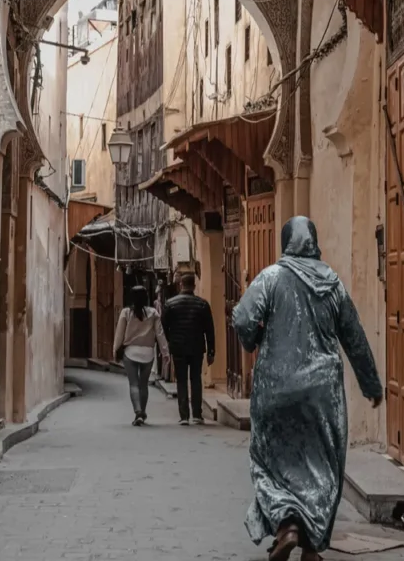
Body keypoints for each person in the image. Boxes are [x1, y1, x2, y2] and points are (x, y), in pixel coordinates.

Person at [232, 217, 383, 561]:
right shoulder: (333, 284)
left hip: (275, 388)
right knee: (324, 467)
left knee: (270, 461)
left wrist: (252, 340)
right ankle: (312, 547)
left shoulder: (270, 278)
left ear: (286, 242)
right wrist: (370, 383)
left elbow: (242, 319)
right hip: (322, 394)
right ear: (314, 242)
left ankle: (288, 526)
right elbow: (354, 337)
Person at [161, 274, 216, 425]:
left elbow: (164, 327)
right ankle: (197, 414)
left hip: (178, 347)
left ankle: (184, 416)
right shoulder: (202, 304)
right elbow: (209, 330)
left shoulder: (170, 304)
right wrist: (211, 351)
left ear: (180, 285)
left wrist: (169, 342)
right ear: (194, 285)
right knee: (196, 379)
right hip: (197, 347)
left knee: (181, 380)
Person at [113, 284, 169, 426]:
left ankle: (138, 412)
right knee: (143, 385)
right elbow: (160, 333)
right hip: (148, 353)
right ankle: (142, 413)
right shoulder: (153, 313)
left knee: (133, 384)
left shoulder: (126, 313)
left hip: (130, 352)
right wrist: (165, 352)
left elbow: (119, 334)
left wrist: (115, 351)